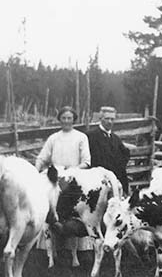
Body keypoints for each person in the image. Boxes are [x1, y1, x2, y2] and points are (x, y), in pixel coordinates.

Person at [35, 106, 92, 258]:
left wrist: (72, 171)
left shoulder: (81, 137)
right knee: (50, 207)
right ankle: (51, 248)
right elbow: (42, 157)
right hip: (55, 178)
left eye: (69, 118)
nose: (67, 121)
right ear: (59, 119)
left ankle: (75, 249)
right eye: (64, 118)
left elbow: (87, 161)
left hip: (74, 177)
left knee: (72, 211)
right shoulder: (53, 138)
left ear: (74, 119)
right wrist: (36, 169)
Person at [86, 105, 129, 193]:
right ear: (100, 118)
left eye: (112, 119)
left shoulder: (116, 139)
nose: (109, 122)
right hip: (97, 182)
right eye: (107, 118)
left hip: (115, 181)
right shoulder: (91, 136)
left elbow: (124, 157)